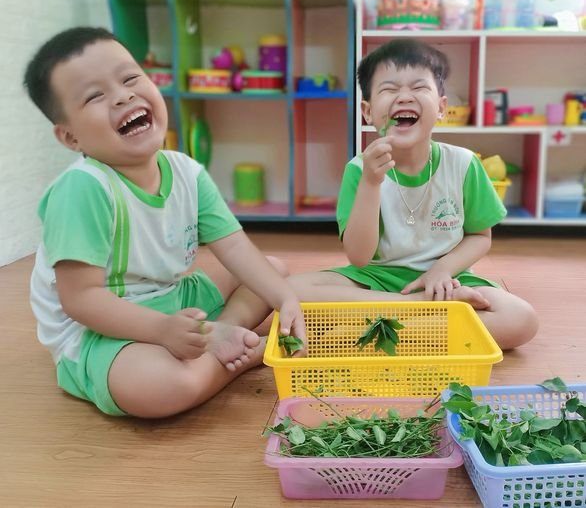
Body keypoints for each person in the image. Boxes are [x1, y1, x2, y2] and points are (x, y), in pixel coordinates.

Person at [25, 27, 305, 419]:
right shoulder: (83, 188)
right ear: (71, 137)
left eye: (130, 78)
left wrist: (285, 299)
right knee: (165, 386)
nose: (122, 96)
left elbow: (235, 247)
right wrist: (161, 330)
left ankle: (222, 335)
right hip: (99, 326)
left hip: (170, 296)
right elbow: (81, 300)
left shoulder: (186, 172)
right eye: (95, 96)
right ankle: (245, 351)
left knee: (272, 271)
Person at [288, 38, 538, 350]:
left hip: (447, 280)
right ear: (367, 112)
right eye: (389, 89)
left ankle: (365, 332)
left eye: (419, 87)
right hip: (376, 280)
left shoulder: (463, 164)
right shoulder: (359, 169)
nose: (404, 96)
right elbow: (359, 257)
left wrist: (441, 270)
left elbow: (480, 237)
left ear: (442, 108)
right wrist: (370, 183)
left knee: (521, 319)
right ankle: (416, 311)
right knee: (289, 290)